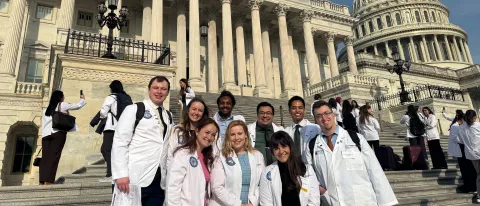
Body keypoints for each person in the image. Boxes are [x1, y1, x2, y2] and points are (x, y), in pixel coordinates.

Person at [304, 100, 397, 206]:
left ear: (333, 114)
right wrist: (321, 191)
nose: (324, 118)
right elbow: (309, 175)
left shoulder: (356, 138)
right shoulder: (312, 146)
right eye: (319, 116)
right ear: (315, 120)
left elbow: (375, 172)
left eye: (327, 113)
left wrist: (386, 203)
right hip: (332, 202)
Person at [111, 76, 174, 205]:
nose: (159, 92)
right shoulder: (134, 109)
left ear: (167, 92)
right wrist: (120, 174)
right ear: (149, 90)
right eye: (155, 88)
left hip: (158, 180)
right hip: (134, 177)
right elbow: (120, 142)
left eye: (163, 89)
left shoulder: (169, 116)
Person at [209, 120, 265, 206]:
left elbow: (262, 184)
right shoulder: (221, 156)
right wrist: (238, 204)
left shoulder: (258, 156)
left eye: (239, 133)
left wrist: (253, 202)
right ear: (228, 137)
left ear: (245, 135)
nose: (236, 138)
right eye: (232, 134)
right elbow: (216, 187)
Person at [166, 118, 219, 206]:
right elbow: (172, 188)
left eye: (213, 135)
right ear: (197, 131)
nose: (209, 137)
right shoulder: (182, 154)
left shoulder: (209, 158)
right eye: (207, 132)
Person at [259, 131, 320, 206]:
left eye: (284, 146)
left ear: (290, 147)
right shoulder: (267, 172)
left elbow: (314, 199)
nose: (281, 151)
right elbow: (266, 202)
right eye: (276, 148)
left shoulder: (306, 169)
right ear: (272, 151)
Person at [40, 90, 86, 185]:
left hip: (46, 135)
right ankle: (49, 180)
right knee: (54, 157)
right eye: (63, 96)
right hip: (58, 133)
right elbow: (77, 106)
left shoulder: (46, 109)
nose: (64, 98)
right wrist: (82, 99)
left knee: (45, 158)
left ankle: (42, 180)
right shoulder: (62, 105)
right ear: (60, 97)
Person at [98, 80, 132, 183]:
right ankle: (116, 172)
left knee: (106, 149)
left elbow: (103, 113)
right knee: (117, 150)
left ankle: (111, 172)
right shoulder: (127, 98)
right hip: (123, 127)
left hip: (111, 127)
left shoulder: (111, 97)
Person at [167, 97, 210, 174]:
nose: (196, 113)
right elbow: (170, 154)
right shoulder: (177, 130)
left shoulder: (206, 132)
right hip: (179, 173)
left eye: (200, 111)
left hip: (199, 174)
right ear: (188, 110)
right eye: (194, 109)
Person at [444, 110, 476, 193]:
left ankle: (472, 186)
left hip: (464, 149)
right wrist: (464, 141)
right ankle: (469, 186)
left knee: (469, 168)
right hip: (461, 149)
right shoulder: (455, 126)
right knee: (465, 169)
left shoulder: (460, 125)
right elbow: (455, 138)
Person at [459, 110, 480, 203]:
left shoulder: (461, 127)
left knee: (479, 174)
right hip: (477, 152)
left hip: (471, 154)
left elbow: (461, 140)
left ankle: (479, 195)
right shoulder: (477, 125)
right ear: (475, 117)